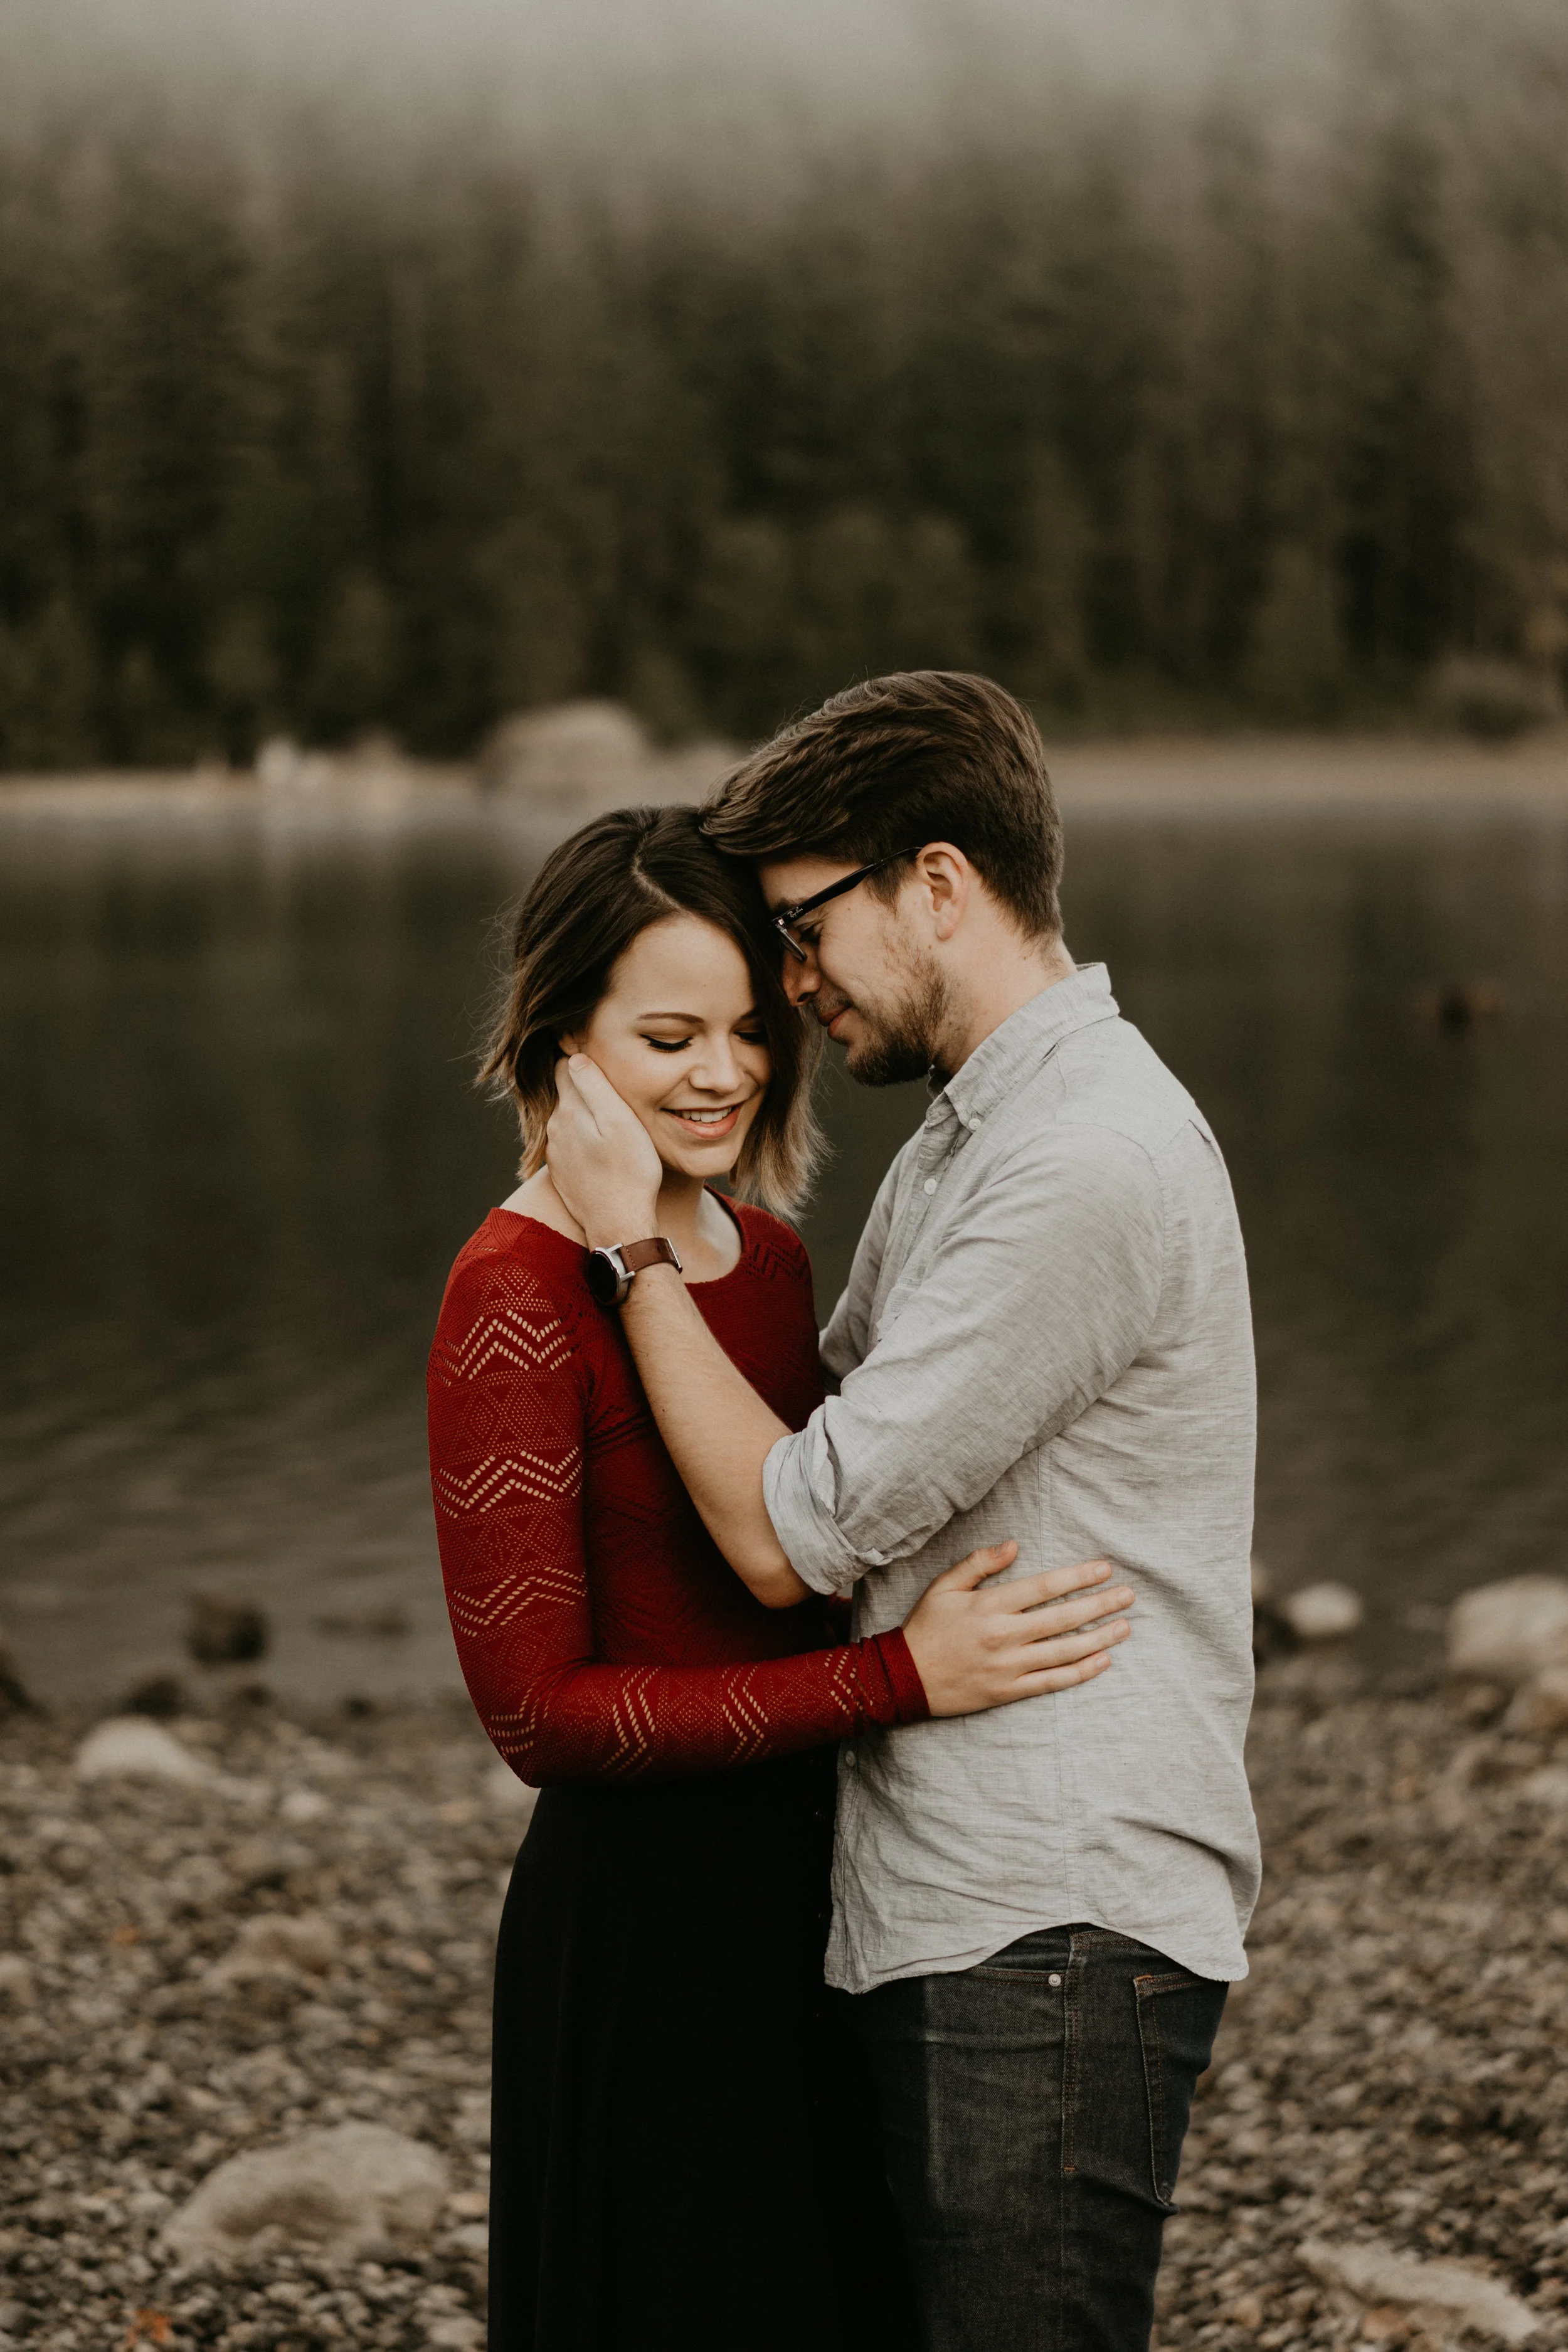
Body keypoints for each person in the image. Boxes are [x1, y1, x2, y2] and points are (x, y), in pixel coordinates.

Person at [544, 675, 1263, 2352]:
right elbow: (830, 1441)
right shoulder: (972, 1137)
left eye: (806, 925)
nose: (788, 984)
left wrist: (628, 1244)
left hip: (1050, 1915)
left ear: (936, 883)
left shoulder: (1081, 1155)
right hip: (973, 1903)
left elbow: (796, 1524)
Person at [425, 803, 1136, 2352]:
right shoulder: (509, 1296)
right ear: (561, 1037)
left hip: (825, 1906)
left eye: (750, 1028)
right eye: (667, 1034)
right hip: (646, 1937)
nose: (723, 1073)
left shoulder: (773, 1260)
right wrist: (897, 1682)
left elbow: (813, 1542)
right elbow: (538, 1718)